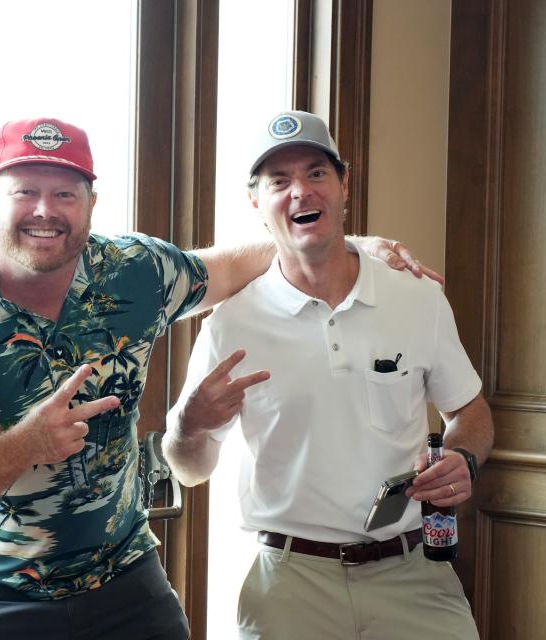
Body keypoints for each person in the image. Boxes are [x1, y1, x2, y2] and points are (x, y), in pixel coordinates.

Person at [0, 116, 432, 640]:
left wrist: (355, 246)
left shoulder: (135, 271)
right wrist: (22, 446)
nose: (45, 211)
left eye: (65, 194)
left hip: (125, 576)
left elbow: (230, 267)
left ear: (90, 203)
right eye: (25, 191)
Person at [162, 110, 495, 639]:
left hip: (413, 574)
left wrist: (464, 457)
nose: (300, 191)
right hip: (289, 585)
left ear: (345, 184)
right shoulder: (230, 324)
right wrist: (187, 425)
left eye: (316, 173)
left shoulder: (417, 298)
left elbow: (470, 412)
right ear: (256, 202)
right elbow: (190, 469)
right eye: (279, 181)